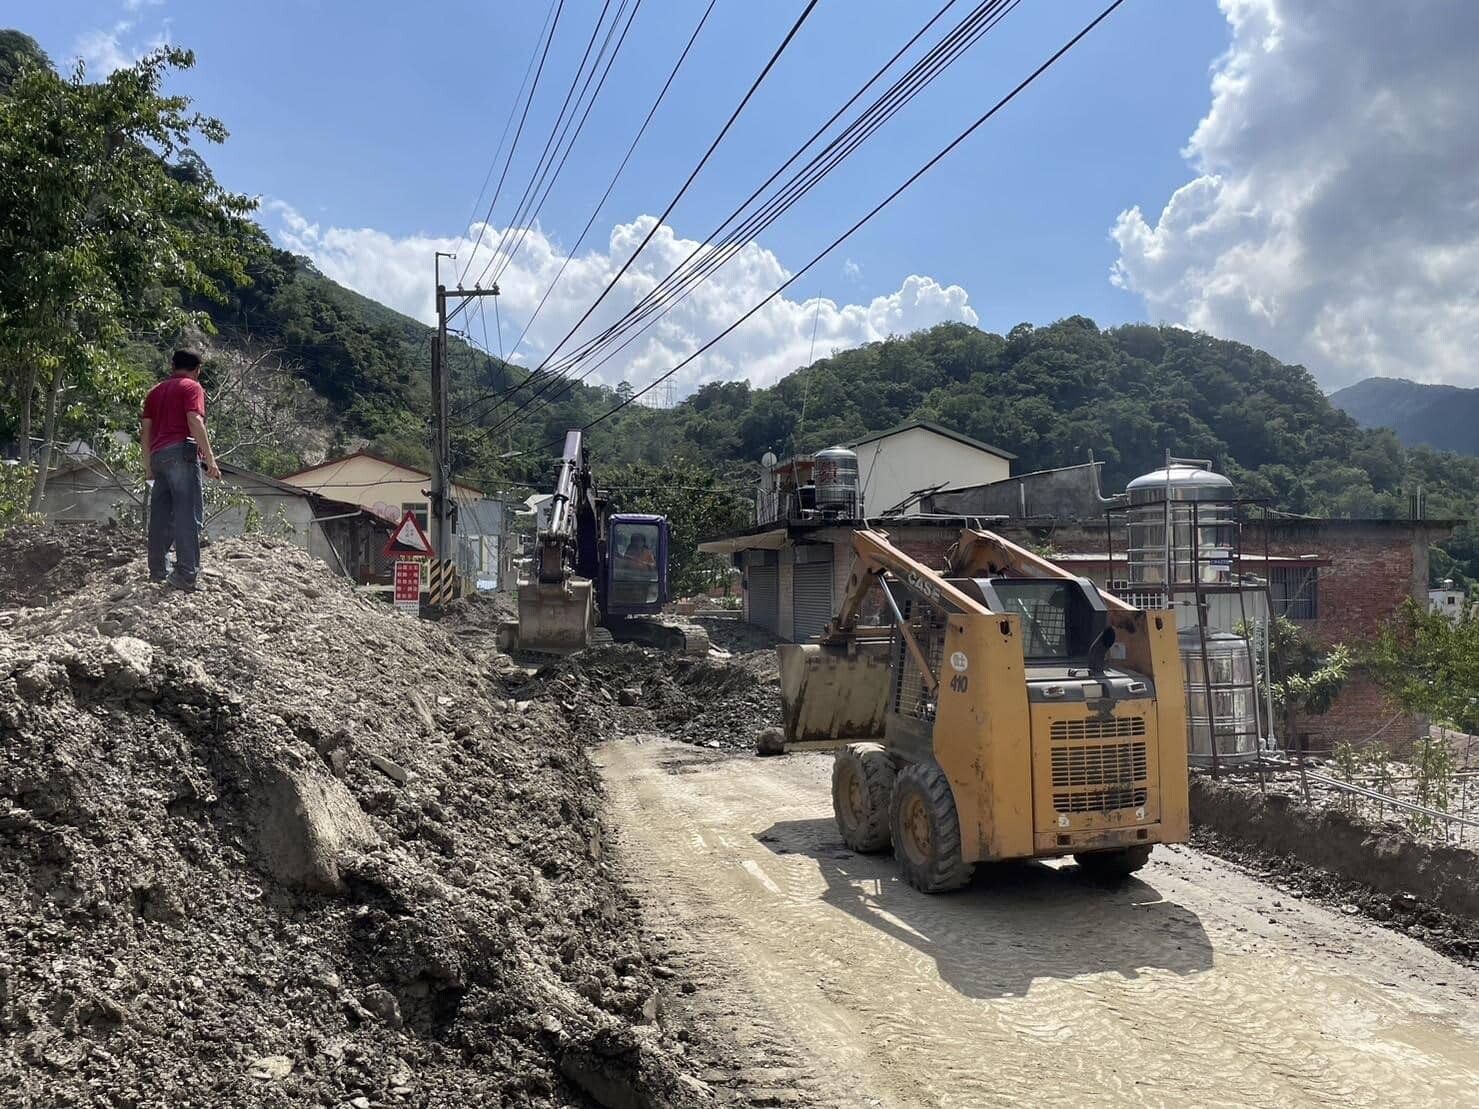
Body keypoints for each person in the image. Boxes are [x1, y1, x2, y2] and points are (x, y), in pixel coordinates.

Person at [140, 349, 220, 590]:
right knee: (188, 514)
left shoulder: (153, 392)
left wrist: (147, 466)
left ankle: (158, 570)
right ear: (197, 371)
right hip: (181, 454)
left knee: (161, 516)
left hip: (158, 456)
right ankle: (186, 573)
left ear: (172, 366)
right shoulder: (192, 387)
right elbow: (194, 421)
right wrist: (210, 460)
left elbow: (146, 431)